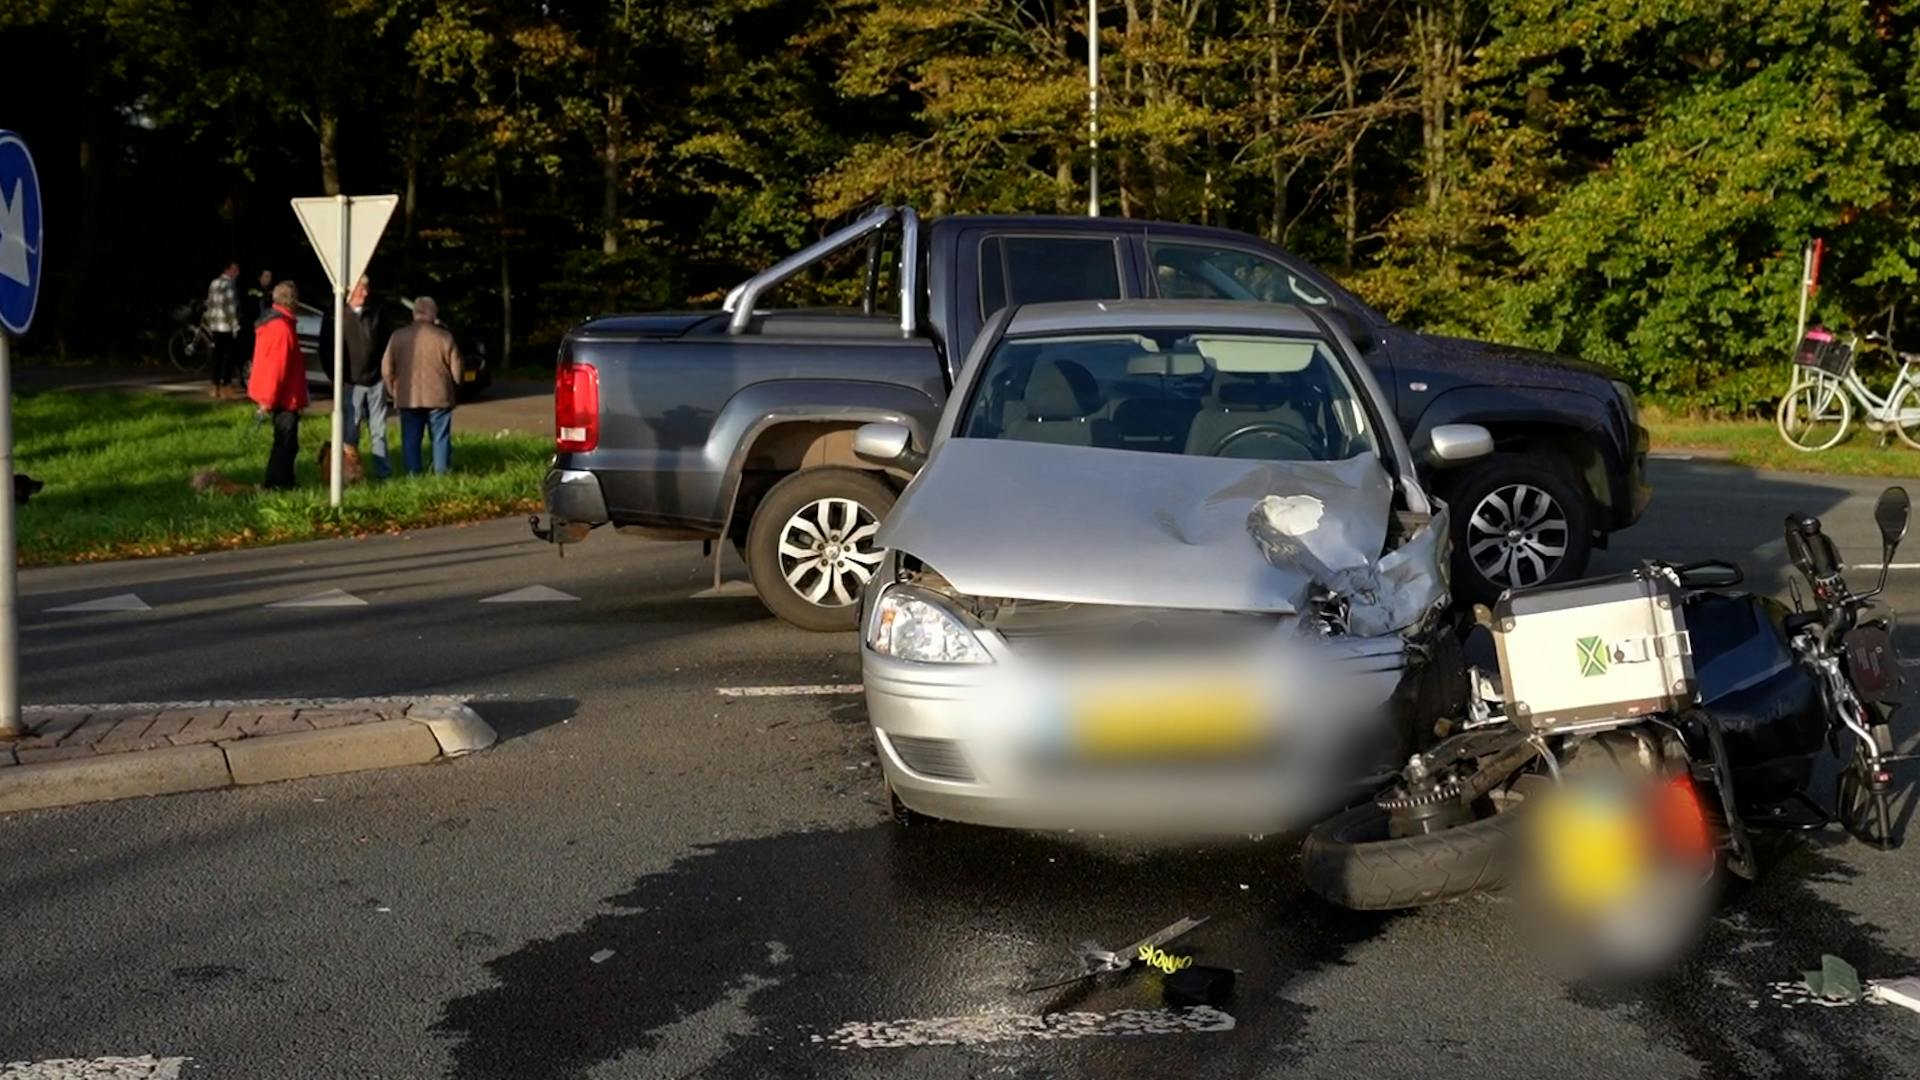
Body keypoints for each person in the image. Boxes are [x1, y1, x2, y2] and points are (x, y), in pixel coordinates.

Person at [317, 274, 392, 478]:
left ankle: (383, 472)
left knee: (379, 430)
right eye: (361, 288)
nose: (366, 293)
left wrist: (384, 372)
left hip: (375, 380)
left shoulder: (375, 314)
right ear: (350, 291)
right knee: (350, 431)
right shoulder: (335, 316)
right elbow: (325, 349)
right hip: (350, 383)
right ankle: (350, 474)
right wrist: (336, 378)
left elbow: (387, 343)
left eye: (367, 288)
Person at [382, 296, 463, 475]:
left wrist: (392, 390)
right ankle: (441, 475)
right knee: (440, 438)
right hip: (439, 397)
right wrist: (455, 388)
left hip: (408, 397)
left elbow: (387, 369)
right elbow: (457, 370)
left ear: (414, 313)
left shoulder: (398, 336)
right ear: (433, 314)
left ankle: (413, 476)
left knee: (410, 439)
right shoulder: (444, 337)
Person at [248, 280, 310, 490]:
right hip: (284, 396)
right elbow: (276, 367)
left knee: (287, 442)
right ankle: (277, 484)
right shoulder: (281, 328)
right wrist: (268, 399)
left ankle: (285, 482)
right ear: (292, 301)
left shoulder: (274, 323)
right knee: (285, 443)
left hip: (282, 394)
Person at [204, 261, 243, 398]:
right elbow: (230, 307)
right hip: (226, 326)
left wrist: (210, 321)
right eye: (235, 270)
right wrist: (235, 325)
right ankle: (226, 385)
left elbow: (210, 303)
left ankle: (214, 385)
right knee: (228, 357)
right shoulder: (230, 285)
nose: (237, 273)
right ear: (228, 270)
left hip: (215, 324)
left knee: (217, 356)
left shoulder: (214, 283)